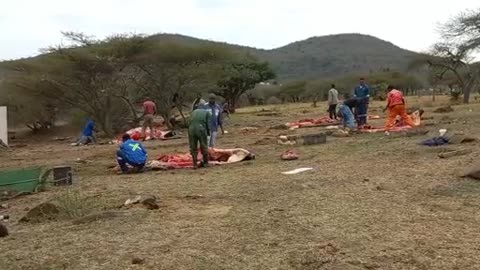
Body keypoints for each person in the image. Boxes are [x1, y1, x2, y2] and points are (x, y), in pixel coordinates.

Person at [188, 101, 211, 169]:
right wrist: (208, 133)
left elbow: (189, 122)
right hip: (201, 128)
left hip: (191, 129)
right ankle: (206, 163)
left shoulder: (193, 112)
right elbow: (208, 124)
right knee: (203, 145)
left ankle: (194, 164)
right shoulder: (207, 112)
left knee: (193, 146)